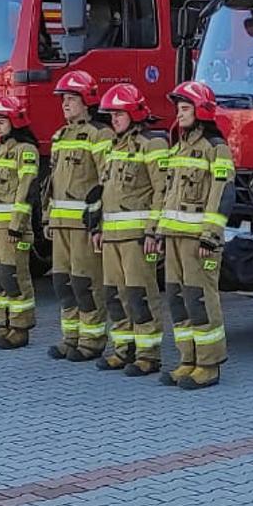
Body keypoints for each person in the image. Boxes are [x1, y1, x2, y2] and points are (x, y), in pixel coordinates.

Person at [155, 80, 234, 390]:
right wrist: (160, 233)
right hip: (175, 238)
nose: (180, 113)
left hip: (199, 242)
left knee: (200, 300)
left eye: (185, 108)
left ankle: (209, 365)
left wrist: (210, 236)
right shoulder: (178, 148)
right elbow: (167, 194)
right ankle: (188, 359)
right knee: (178, 301)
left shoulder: (216, 149)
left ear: (201, 111)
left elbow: (222, 194)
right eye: (179, 108)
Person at [93, 83, 169, 376]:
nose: (113, 119)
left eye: (119, 114)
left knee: (140, 295)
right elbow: (105, 192)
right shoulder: (113, 148)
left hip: (137, 238)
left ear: (135, 113)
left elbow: (162, 190)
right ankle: (123, 349)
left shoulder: (152, 145)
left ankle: (148, 355)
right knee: (114, 296)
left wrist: (153, 231)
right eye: (111, 115)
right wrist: (98, 227)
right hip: (111, 237)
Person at [43, 71, 113, 361]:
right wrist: (47, 217)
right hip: (60, 224)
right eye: (64, 99)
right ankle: (70, 337)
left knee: (85, 283)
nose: (65, 104)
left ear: (87, 101)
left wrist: (99, 223)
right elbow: (52, 183)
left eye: (72, 98)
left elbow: (106, 182)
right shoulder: (60, 136)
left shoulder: (100, 135)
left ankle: (92, 340)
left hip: (84, 225)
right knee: (63, 282)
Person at [0, 94, 41, 350]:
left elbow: (26, 190)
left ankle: (20, 327)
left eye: (2, 121)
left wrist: (17, 224)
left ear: (16, 121)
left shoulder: (26, 151)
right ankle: (3, 324)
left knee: (14, 277)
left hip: (11, 229)